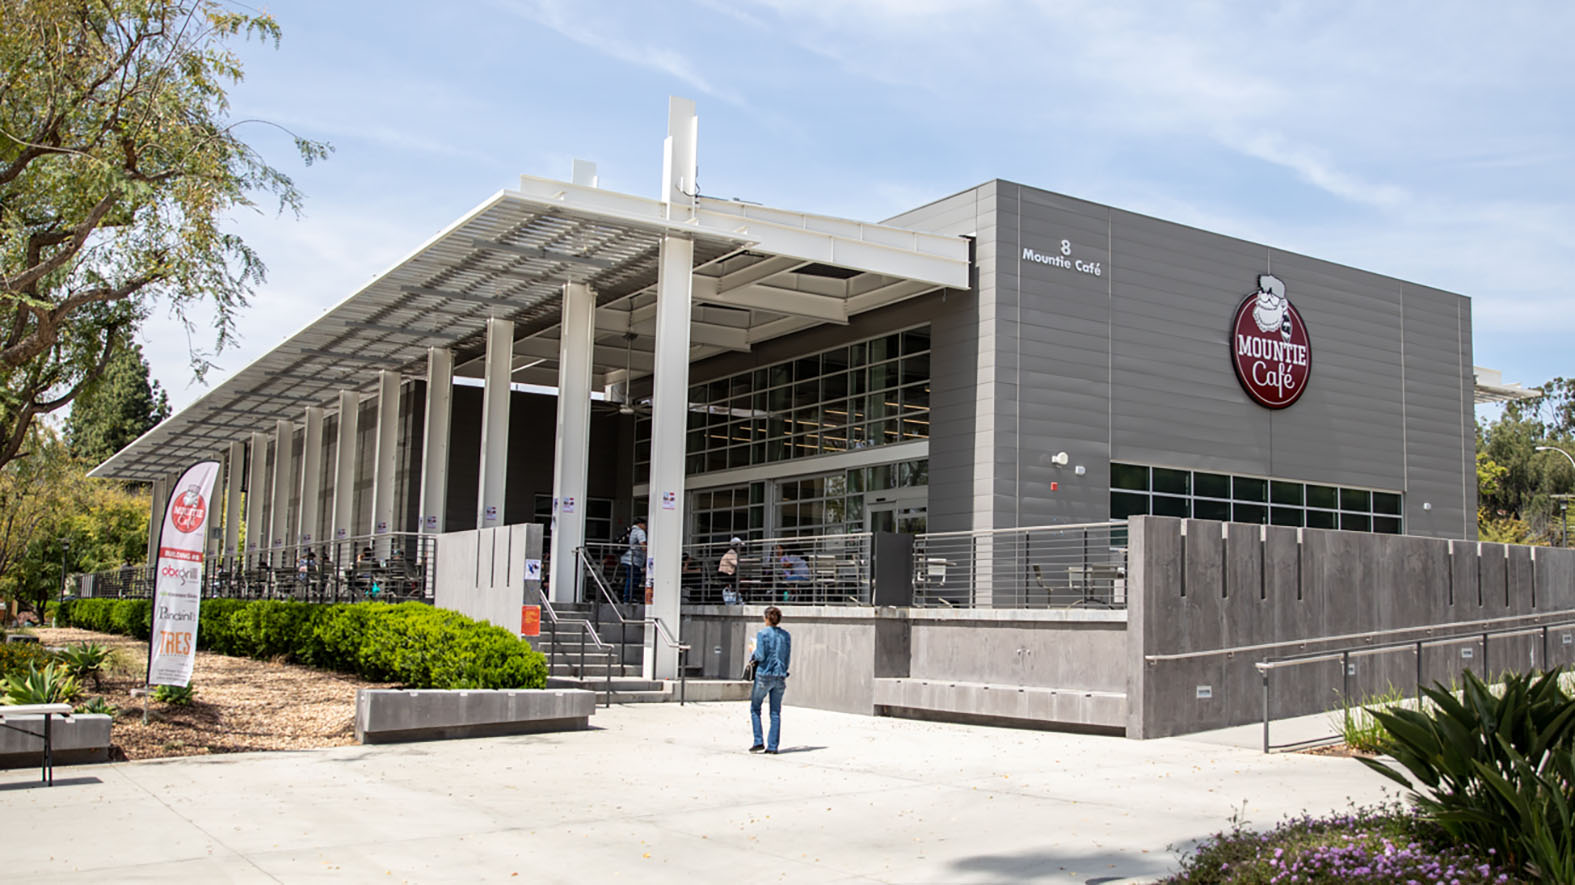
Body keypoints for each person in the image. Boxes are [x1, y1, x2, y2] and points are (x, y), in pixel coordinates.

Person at [748, 606, 791, 754]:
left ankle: (758, 740)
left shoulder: (762, 634)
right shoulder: (786, 635)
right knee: (775, 712)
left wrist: (752, 651)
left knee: (755, 708)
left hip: (764, 674)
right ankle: (773, 746)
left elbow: (760, 656)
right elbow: (787, 657)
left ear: (766, 618)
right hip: (780, 675)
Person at [620, 517, 647, 603]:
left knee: (630, 578)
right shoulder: (640, 532)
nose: (645, 526)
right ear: (640, 524)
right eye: (644, 524)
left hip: (625, 558)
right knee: (634, 579)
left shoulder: (630, 531)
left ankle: (627, 597)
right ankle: (628, 598)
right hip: (633, 560)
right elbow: (643, 545)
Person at [718, 537, 742, 605]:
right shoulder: (731, 553)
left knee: (739, 579)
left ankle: (736, 598)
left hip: (729, 574)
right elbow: (736, 563)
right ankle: (734, 600)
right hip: (724, 574)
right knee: (737, 580)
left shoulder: (734, 553)